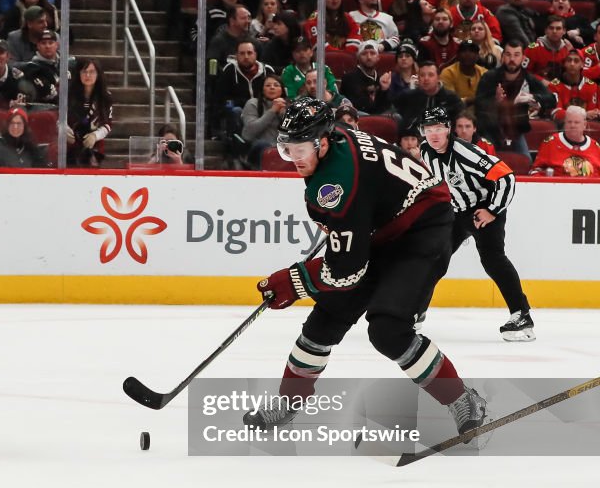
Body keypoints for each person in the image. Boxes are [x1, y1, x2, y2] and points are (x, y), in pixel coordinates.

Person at [246, 97, 491, 446]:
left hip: (423, 231)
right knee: (326, 319)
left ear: (324, 141)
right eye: (287, 150)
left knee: (389, 330)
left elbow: (346, 271)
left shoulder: (336, 184)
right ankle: (290, 400)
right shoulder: (337, 137)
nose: (295, 159)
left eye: (300, 149)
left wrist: (296, 280)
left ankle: (464, 400)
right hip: (383, 229)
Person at [417, 106, 534, 341]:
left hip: (484, 207)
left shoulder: (465, 152)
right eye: (428, 129)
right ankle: (415, 311)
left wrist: (492, 210)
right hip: (457, 211)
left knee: (493, 259)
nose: (434, 134)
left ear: (448, 129)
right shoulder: (425, 150)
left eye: (439, 128)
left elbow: (506, 177)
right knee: (432, 257)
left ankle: (522, 316)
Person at [474, 40, 556, 155]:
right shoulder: (489, 77)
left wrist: (533, 97)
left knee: (526, 162)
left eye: (516, 55)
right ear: (502, 57)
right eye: (508, 54)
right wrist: (495, 100)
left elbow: (552, 99)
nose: (512, 59)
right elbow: (479, 104)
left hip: (516, 131)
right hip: (490, 129)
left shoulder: (528, 78)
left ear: (523, 58)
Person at [66, 57, 113, 167]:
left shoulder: (105, 97)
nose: (88, 75)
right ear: (79, 73)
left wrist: (95, 136)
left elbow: (107, 124)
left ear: (98, 74)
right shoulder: (69, 95)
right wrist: (64, 130)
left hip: (94, 148)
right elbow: (59, 118)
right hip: (70, 146)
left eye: (91, 72)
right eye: (84, 72)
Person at [530, 104, 600, 176]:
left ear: (584, 125)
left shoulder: (596, 147)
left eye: (576, 122)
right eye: (569, 122)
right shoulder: (551, 143)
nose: (572, 126)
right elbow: (535, 172)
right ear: (565, 123)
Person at [240, 73, 287, 168]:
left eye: (276, 85)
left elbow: (296, 134)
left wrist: (283, 115)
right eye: (268, 85)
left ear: (282, 90)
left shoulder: (290, 107)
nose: (272, 88)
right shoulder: (253, 104)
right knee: (263, 145)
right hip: (257, 148)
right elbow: (248, 133)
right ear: (262, 89)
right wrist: (273, 111)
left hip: (282, 149)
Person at [549, 49, 600, 120]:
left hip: (587, 127)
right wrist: (583, 115)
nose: (572, 64)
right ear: (564, 64)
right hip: (562, 127)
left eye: (576, 61)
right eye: (569, 60)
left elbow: (593, 114)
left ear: (582, 64)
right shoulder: (554, 86)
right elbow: (555, 114)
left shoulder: (592, 86)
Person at [440, 40, 487, 109]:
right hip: (455, 113)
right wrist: (471, 100)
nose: (468, 54)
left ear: (477, 56)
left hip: (480, 112)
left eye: (472, 51)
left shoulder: (484, 73)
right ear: (458, 55)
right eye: (464, 51)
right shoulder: (448, 73)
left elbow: (487, 100)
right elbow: (450, 102)